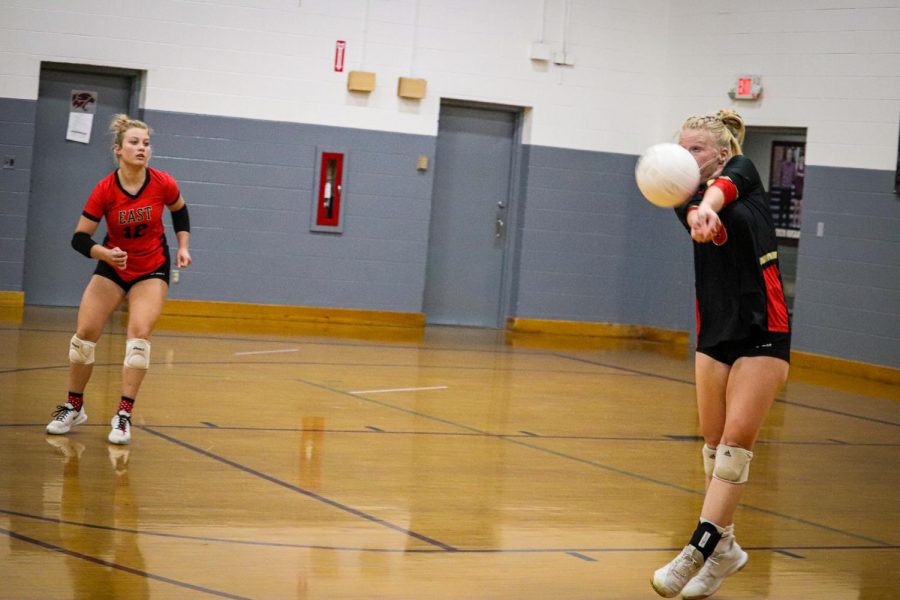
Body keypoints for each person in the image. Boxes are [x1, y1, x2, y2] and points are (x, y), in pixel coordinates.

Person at [651, 109, 791, 599]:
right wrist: (697, 212)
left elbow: (720, 194)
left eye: (697, 150)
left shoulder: (743, 173)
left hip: (764, 331)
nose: (687, 158)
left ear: (722, 153)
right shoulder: (683, 196)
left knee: (733, 453)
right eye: (682, 149)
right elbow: (694, 209)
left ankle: (697, 549)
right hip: (714, 330)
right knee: (713, 451)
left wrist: (708, 205)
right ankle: (727, 551)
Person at [45, 114, 192, 445]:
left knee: (138, 341)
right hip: (113, 266)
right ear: (118, 150)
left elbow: (180, 210)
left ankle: (123, 415)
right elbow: (80, 237)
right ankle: (72, 405)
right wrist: (103, 253)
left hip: (151, 268)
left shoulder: (162, 182)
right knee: (83, 338)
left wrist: (183, 246)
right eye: (135, 143)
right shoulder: (105, 189)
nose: (142, 148)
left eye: (146, 143)